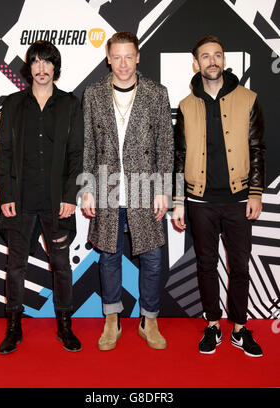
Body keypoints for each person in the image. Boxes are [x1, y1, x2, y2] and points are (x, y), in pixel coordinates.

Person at [173, 35, 265, 357]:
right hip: (200, 201)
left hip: (239, 198)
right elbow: (179, 156)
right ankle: (212, 324)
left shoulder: (249, 99)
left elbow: (257, 149)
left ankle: (240, 328)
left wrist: (255, 192)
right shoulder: (186, 106)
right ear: (196, 63)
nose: (212, 61)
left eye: (218, 55)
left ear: (224, 60)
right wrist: (179, 201)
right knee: (206, 265)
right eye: (205, 56)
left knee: (240, 265)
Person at [82, 32, 174, 350]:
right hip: (107, 186)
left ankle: (149, 319)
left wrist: (164, 188)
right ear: (108, 58)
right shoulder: (93, 94)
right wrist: (88, 188)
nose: (122, 63)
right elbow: (88, 145)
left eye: (128, 56)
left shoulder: (156, 93)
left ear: (138, 57)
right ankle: (112, 320)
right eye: (116, 57)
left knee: (151, 257)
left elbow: (165, 144)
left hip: (145, 187)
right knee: (109, 257)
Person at [0, 40, 83, 354]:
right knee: (15, 266)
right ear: (29, 67)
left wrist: (71, 195)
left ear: (55, 68)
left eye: (48, 62)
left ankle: (64, 326)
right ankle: (14, 327)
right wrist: (5, 194)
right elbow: (3, 152)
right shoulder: (12, 104)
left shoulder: (70, 104)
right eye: (36, 62)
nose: (42, 68)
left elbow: (77, 154)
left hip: (57, 202)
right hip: (20, 200)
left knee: (61, 266)